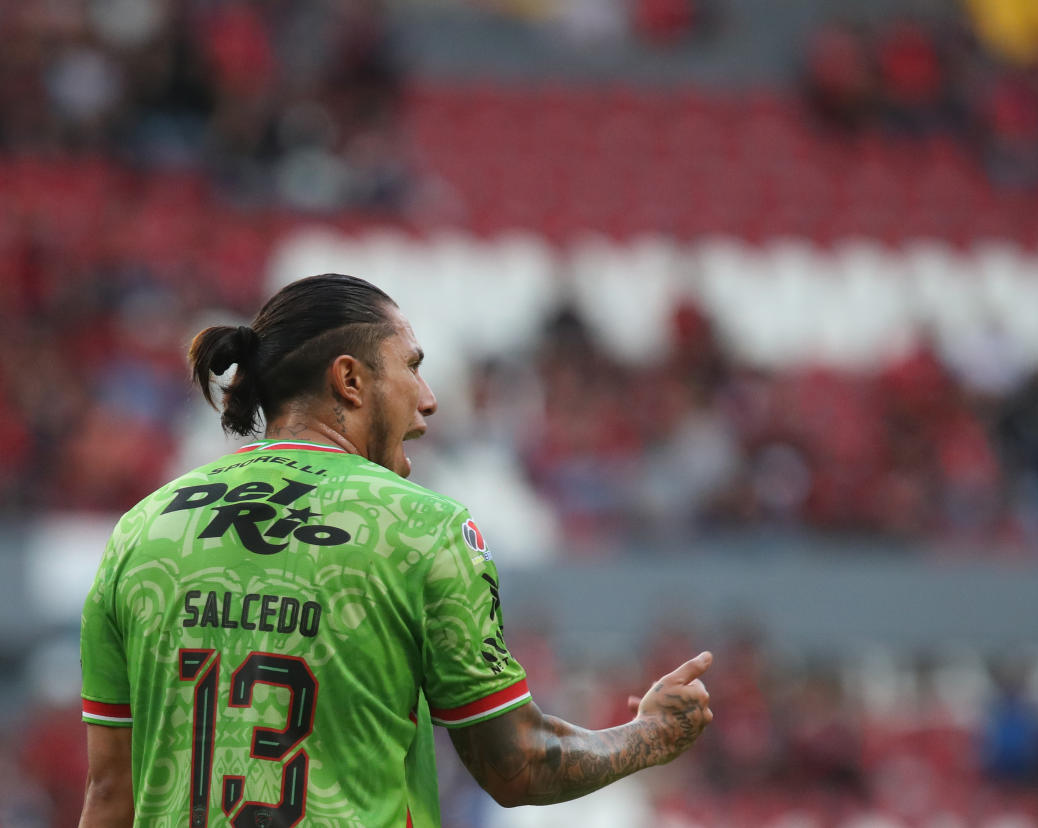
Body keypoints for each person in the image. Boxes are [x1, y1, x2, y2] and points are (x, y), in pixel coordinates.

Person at [78, 273, 714, 827]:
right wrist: (650, 736)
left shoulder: (140, 533)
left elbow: (109, 798)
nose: (429, 398)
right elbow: (516, 765)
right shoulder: (423, 529)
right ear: (350, 380)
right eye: (411, 366)